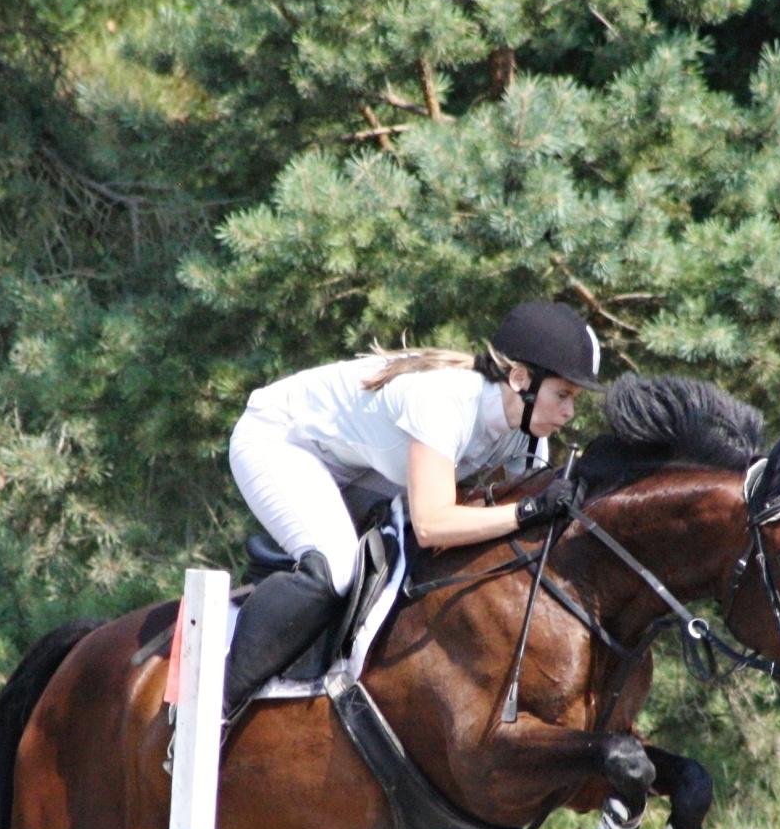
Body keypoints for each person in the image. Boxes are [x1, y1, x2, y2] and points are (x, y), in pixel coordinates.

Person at [220, 300, 604, 714]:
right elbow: (432, 524)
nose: (569, 412)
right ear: (520, 379)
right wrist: (526, 511)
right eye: (562, 395)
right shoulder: (445, 401)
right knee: (338, 569)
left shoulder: (527, 434)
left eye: (574, 399)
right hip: (279, 440)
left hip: (362, 467)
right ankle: (215, 703)